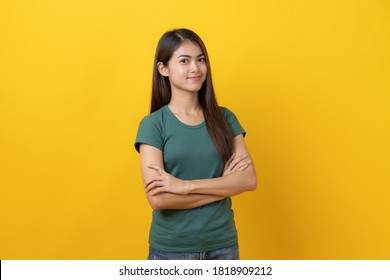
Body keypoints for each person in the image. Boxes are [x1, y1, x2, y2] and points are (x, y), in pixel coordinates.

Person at [134, 28, 257, 260]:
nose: (195, 68)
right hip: (171, 251)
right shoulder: (153, 125)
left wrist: (185, 186)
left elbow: (248, 180)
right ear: (164, 69)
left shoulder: (226, 118)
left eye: (201, 60)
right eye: (184, 61)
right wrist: (224, 186)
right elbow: (158, 199)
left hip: (223, 246)